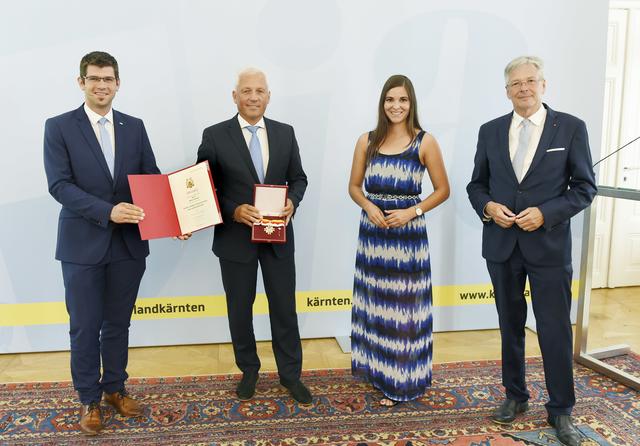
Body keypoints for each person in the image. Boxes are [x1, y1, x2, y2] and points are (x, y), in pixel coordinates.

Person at [467, 56, 597, 446]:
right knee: (510, 325)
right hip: (502, 247)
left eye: (531, 81)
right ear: (506, 91)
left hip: (549, 247)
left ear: (544, 85)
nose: (523, 88)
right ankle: (515, 396)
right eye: (515, 84)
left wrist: (545, 213)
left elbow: (584, 188)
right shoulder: (490, 131)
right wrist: (488, 208)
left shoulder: (571, 128)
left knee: (554, 330)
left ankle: (561, 410)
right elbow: (477, 185)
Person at [43, 51, 160, 435]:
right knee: (84, 326)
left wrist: (174, 217)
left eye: (108, 79)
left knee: (117, 324)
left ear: (118, 83)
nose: (101, 85)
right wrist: (106, 211)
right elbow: (59, 185)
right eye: (94, 78)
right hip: (82, 245)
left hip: (128, 246)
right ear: (81, 82)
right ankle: (89, 399)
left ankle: (115, 389)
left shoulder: (135, 126)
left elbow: (152, 179)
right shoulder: (59, 127)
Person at [196, 68, 311, 404]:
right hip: (235, 240)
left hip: (278, 237)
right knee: (239, 310)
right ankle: (249, 371)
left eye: (259, 91)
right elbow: (206, 187)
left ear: (268, 96)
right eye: (246, 91)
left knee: (284, 309)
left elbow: (299, 178)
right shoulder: (215, 135)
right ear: (235, 96)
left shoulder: (285, 133)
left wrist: (293, 201)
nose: (253, 97)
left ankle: (291, 376)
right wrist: (234, 210)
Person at [348, 75, 450, 406]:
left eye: (403, 100)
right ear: (382, 103)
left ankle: (402, 381)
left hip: (407, 240)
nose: (396, 106)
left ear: (411, 104)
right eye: (390, 100)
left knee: (405, 312)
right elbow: (354, 187)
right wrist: (368, 206)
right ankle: (379, 372)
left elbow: (442, 190)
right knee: (377, 308)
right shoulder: (367, 141)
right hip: (373, 237)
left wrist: (413, 212)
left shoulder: (425, 142)